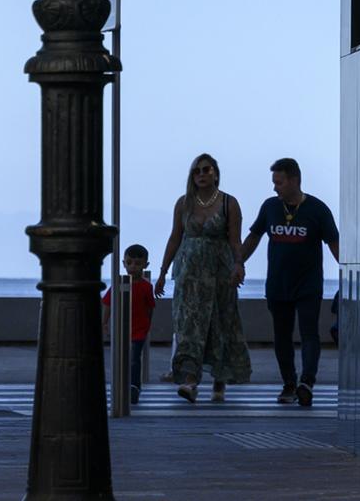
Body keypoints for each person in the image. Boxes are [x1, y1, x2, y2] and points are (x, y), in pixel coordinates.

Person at [240, 156, 340, 408]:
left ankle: (307, 383)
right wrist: (237, 262)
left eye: (280, 182)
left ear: (294, 180)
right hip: (277, 285)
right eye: (274, 182)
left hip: (308, 285)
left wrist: (350, 274)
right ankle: (289, 383)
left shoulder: (317, 210)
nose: (275, 187)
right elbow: (254, 237)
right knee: (281, 336)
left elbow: (334, 245)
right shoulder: (270, 207)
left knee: (309, 334)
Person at [155, 152, 252, 401]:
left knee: (220, 325)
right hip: (189, 275)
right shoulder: (184, 203)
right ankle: (190, 381)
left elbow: (234, 240)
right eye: (197, 171)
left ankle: (219, 381)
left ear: (216, 174)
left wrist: (239, 264)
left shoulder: (229, 203)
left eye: (206, 170)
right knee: (189, 327)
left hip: (219, 273)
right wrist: (163, 272)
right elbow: (175, 236)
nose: (201, 174)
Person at [101, 244, 154, 404]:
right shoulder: (118, 284)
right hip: (121, 329)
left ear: (145, 265)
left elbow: (150, 307)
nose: (132, 267)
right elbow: (108, 304)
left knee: (134, 358)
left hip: (139, 330)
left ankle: (134, 387)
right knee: (121, 358)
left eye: (137, 263)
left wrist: (147, 326)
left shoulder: (146, 286)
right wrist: (104, 322)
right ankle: (122, 385)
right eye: (129, 262)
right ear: (123, 263)